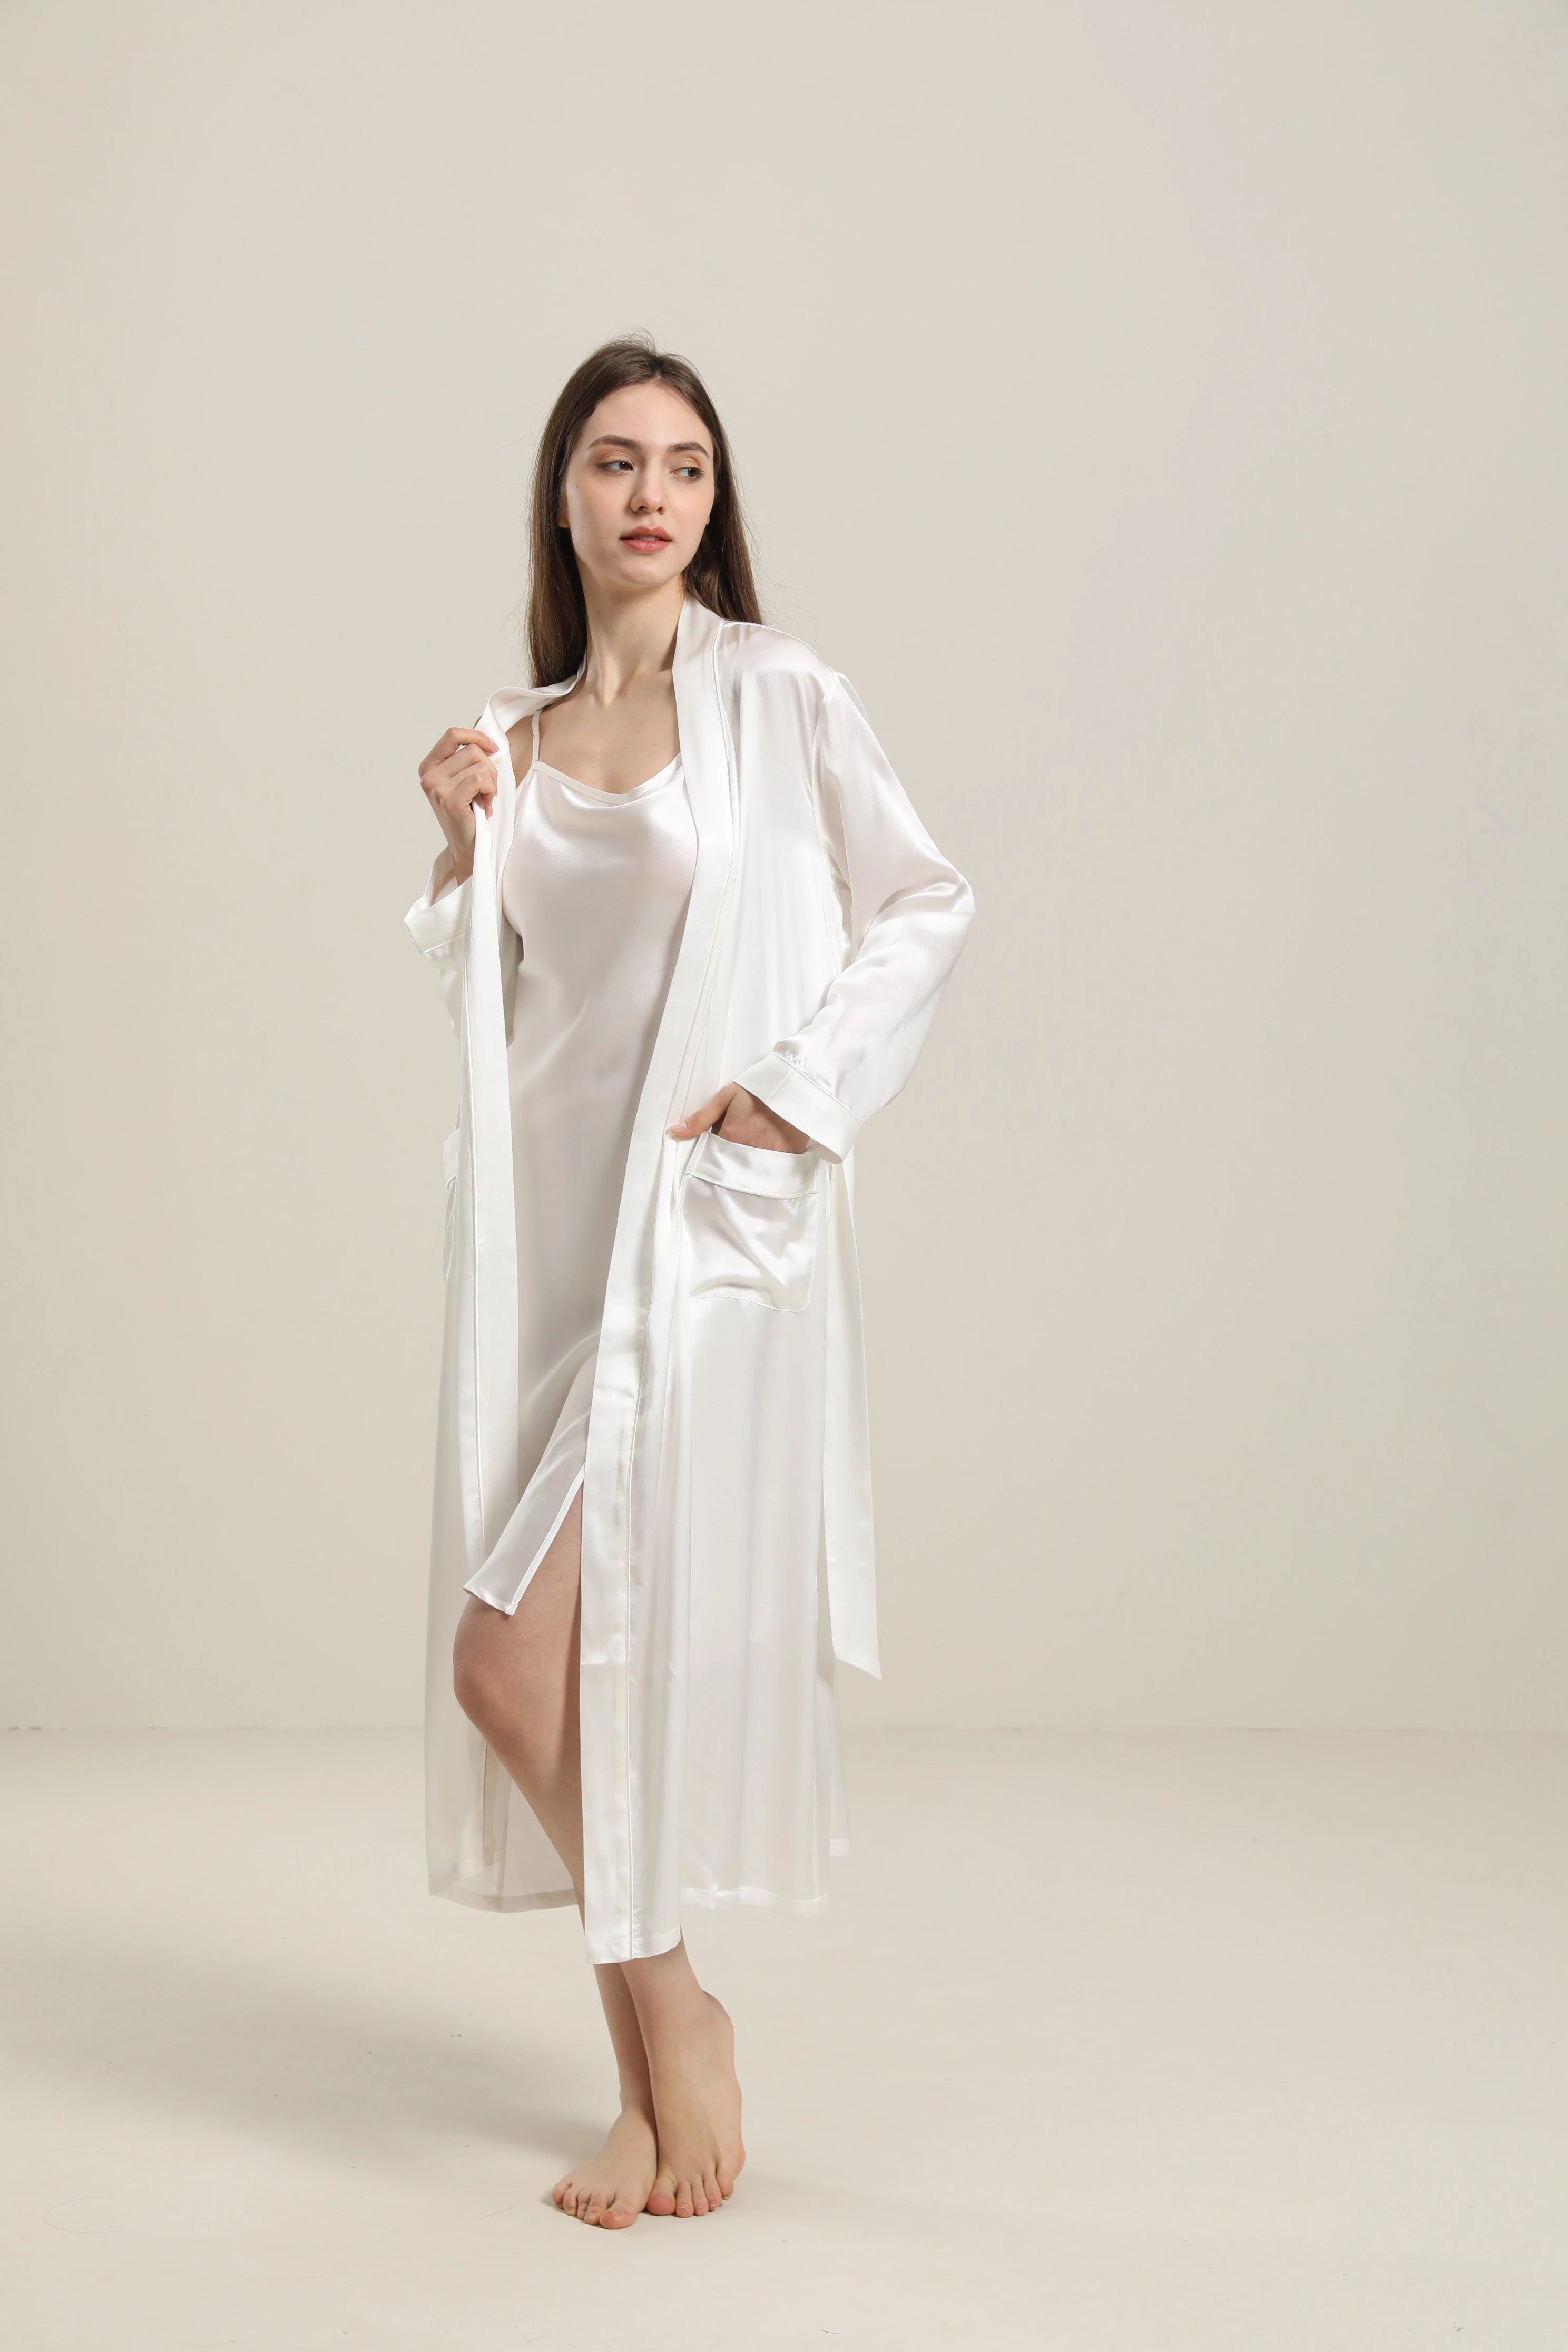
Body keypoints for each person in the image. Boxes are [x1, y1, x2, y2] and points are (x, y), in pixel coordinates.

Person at [406, 335, 974, 2228]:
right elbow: (506, 1006)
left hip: (690, 1255)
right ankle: (652, 2078)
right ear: (562, 497)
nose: (650, 494)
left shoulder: (775, 695)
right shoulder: (510, 737)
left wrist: (797, 1094)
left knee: (511, 1664)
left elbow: (927, 899)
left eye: (685, 466)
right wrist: (459, 846)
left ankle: (680, 2021)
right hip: (546, 1260)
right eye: (614, 460)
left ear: (712, 505)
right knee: (571, 1674)